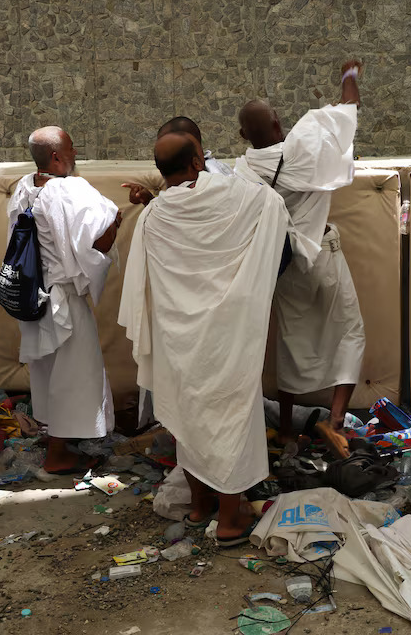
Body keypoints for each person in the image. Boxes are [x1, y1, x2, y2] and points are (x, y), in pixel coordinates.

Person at [119, 132, 291, 546]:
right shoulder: (241, 199)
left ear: (162, 172)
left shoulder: (154, 216)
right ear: (198, 160)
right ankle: (230, 520)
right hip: (230, 335)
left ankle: (200, 508)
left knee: (191, 417)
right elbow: (275, 207)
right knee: (231, 419)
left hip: (180, 338)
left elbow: (146, 284)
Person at [233, 60, 365, 458]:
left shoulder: (241, 171)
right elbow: (348, 113)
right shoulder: (304, 149)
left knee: (289, 341)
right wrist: (349, 76)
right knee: (349, 330)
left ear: (243, 135)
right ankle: (336, 419)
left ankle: (288, 429)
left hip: (283, 265)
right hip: (322, 256)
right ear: (279, 126)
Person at [9, 126, 121, 473]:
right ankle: (58, 455)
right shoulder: (70, 190)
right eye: (72, 148)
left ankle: (53, 437)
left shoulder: (23, 188)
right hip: (64, 301)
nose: (76, 154)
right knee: (75, 376)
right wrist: (116, 221)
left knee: (47, 374)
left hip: (33, 298)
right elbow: (96, 246)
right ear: (57, 156)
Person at [121, 116, 233, 429]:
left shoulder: (227, 183)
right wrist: (150, 203)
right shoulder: (160, 211)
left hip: (216, 302)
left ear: (198, 156)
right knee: (180, 389)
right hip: (178, 309)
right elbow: (178, 230)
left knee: (211, 391)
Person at [122, 116, 233, 208]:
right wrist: (148, 200)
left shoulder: (220, 181)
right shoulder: (181, 178)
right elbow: (175, 218)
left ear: (197, 163)